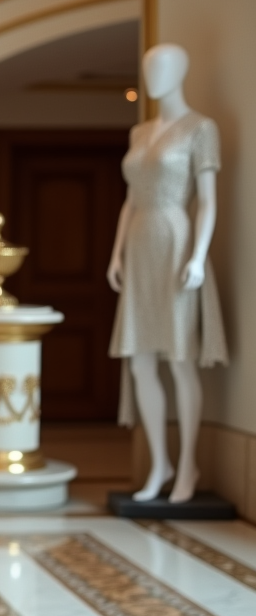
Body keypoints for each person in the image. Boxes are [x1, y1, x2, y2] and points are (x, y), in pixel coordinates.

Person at [107, 43, 228, 504]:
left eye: (161, 68)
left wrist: (198, 255)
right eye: (147, 68)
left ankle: (189, 465)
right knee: (141, 362)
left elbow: (209, 200)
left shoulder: (201, 129)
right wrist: (115, 254)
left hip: (176, 240)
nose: (153, 75)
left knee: (179, 359)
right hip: (139, 244)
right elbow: (130, 199)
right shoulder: (140, 133)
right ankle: (160, 463)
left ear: (181, 72)